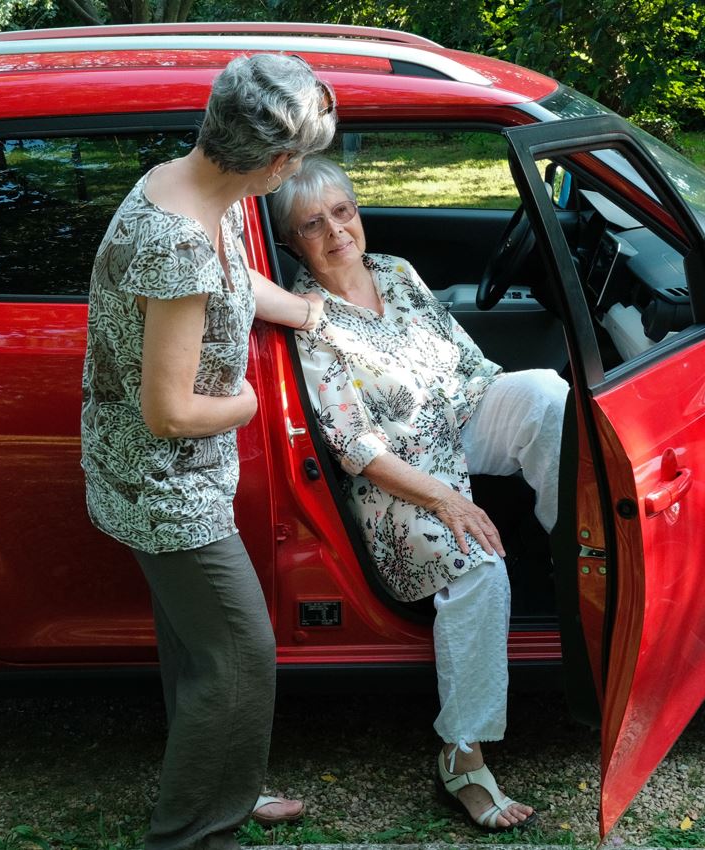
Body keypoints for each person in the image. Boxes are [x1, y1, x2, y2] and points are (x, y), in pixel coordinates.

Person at [80, 54, 336, 850]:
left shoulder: (194, 182)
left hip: (162, 476)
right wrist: (252, 403)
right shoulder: (175, 242)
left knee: (199, 650)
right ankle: (193, 834)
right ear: (276, 164)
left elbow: (235, 278)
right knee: (240, 658)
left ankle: (226, 783)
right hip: (163, 485)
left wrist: (303, 311)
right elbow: (170, 411)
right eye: (298, 161)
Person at [271, 156, 568, 832]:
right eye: (313, 224)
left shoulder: (398, 272)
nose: (336, 230)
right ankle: (463, 757)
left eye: (342, 212)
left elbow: (469, 368)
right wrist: (446, 498)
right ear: (292, 241)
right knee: (481, 566)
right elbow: (355, 447)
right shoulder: (312, 318)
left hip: (454, 421)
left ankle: (577, 553)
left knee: (548, 393)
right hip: (395, 482)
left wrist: (499, 412)